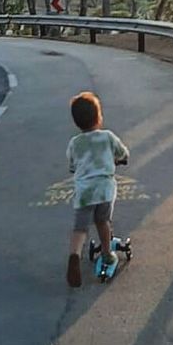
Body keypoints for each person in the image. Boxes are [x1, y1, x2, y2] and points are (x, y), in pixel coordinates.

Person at [65, 91, 130, 287]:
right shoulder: (108, 137)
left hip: (84, 192)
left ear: (76, 122)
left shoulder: (75, 143)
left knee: (80, 228)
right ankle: (107, 254)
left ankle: (74, 255)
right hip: (104, 190)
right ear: (99, 117)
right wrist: (119, 159)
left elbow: (72, 165)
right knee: (102, 222)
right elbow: (123, 153)